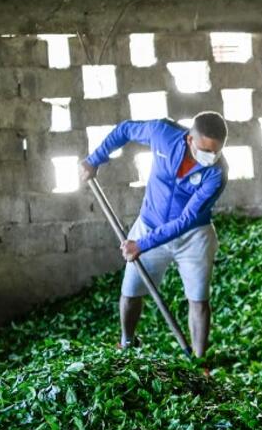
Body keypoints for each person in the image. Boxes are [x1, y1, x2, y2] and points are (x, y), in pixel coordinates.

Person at [78, 112, 229, 357]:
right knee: (130, 292)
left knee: (199, 300)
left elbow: (186, 219)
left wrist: (142, 244)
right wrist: (94, 159)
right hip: (149, 225)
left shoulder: (218, 173)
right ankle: (126, 343)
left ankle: (199, 362)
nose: (210, 158)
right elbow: (125, 129)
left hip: (193, 236)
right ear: (190, 139)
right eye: (205, 150)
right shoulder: (162, 134)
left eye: (216, 152)